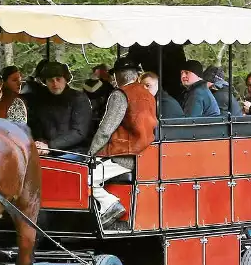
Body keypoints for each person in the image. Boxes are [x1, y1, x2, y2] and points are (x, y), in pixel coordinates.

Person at [89, 58, 157, 228]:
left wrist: (90, 154)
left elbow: (106, 129)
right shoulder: (148, 95)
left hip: (124, 155)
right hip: (143, 154)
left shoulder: (120, 94)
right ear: (136, 75)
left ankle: (111, 204)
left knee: (84, 178)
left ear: (118, 76)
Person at [31, 61, 92, 157]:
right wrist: (39, 142)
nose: (55, 83)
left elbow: (79, 132)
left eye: (58, 79)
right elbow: (37, 126)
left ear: (66, 79)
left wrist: (50, 146)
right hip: (48, 150)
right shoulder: (41, 100)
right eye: (50, 80)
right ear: (45, 82)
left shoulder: (79, 98)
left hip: (74, 151)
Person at [83, 63, 115, 139]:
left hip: (91, 117)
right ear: (98, 72)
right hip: (100, 116)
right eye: (106, 71)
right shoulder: (105, 85)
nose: (109, 74)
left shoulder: (87, 84)